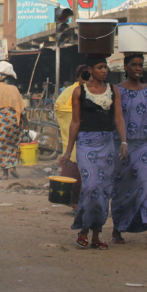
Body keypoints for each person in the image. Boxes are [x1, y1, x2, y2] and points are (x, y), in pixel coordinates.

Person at [59, 55, 127, 250]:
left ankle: (96, 234)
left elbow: (119, 118)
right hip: (86, 144)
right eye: (100, 67)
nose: (104, 70)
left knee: (104, 190)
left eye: (105, 67)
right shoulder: (79, 92)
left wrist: (123, 142)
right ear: (90, 69)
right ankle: (83, 230)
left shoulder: (114, 91)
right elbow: (75, 122)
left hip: (107, 144)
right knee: (90, 186)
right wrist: (67, 152)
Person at [110, 54, 147, 249]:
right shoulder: (117, 90)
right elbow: (115, 118)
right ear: (125, 66)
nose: (137, 68)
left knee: (146, 184)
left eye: (140, 65)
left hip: (143, 144)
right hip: (122, 145)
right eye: (133, 65)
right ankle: (117, 228)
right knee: (122, 188)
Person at [54, 66, 89, 208]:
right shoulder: (69, 92)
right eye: (84, 76)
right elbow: (60, 108)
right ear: (78, 77)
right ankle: (75, 202)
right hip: (75, 141)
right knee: (74, 173)